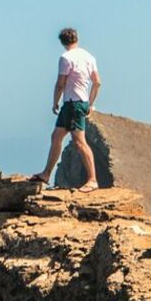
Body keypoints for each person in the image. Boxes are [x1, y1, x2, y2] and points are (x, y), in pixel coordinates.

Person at [36, 27, 102, 191]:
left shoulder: (65, 58)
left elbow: (60, 83)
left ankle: (92, 180)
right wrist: (90, 103)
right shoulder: (89, 57)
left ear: (62, 42)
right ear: (76, 39)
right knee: (56, 136)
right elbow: (97, 82)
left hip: (73, 104)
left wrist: (54, 102)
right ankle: (46, 174)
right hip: (76, 103)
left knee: (79, 142)